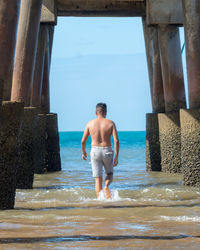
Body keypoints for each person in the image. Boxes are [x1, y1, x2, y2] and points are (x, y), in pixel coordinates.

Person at [81, 103, 119, 199]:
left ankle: (99, 201)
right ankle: (106, 186)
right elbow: (116, 141)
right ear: (105, 112)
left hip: (94, 151)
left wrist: (83, 152)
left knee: (97, 178)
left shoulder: (90, 123)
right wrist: (116, 156)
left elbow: (83, 141)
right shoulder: (110, 123)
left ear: (95, 112)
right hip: (107, 151)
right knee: (109, 174)